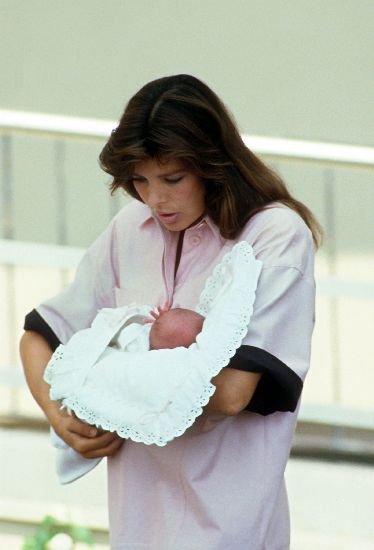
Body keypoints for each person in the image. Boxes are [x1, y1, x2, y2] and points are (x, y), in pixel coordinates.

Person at [20, 74, 322, 549]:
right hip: (136, 523)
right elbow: (40, 336)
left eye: (172, 178)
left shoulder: (274, 235)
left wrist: (103, 377)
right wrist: (63, 419)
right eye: (139, 181)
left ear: (213, 163)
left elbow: (234, 393)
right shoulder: (130, 228)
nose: (155, 199)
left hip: (231, 526)